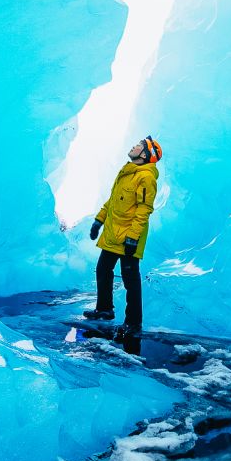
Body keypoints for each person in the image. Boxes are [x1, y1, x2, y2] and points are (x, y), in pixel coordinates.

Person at [84, 135, 163, 337]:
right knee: (103, 270)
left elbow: (144, 209)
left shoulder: (145, 177)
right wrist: (98, 221)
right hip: (113, 235)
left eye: (138, 145)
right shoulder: (127, 172)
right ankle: (104, 309)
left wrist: (133, 237)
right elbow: (112, 201)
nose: (134, 146)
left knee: (130, 280)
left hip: (128, 237)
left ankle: (133, 323)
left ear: (145, 154)